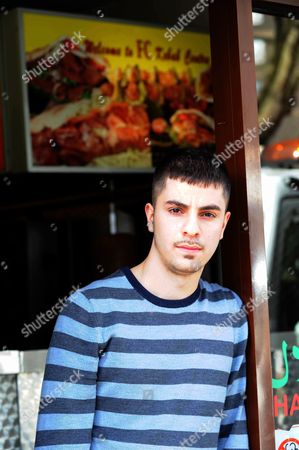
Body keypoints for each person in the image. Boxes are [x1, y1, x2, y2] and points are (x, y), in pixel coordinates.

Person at [34, 148, 249, 449]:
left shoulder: (229, 313)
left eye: (207, 214)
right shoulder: (90, 311)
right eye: (176, 210)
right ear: (150, 217)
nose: (192, 228)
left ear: (224, 225)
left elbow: (233, 437)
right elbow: (60, 443)